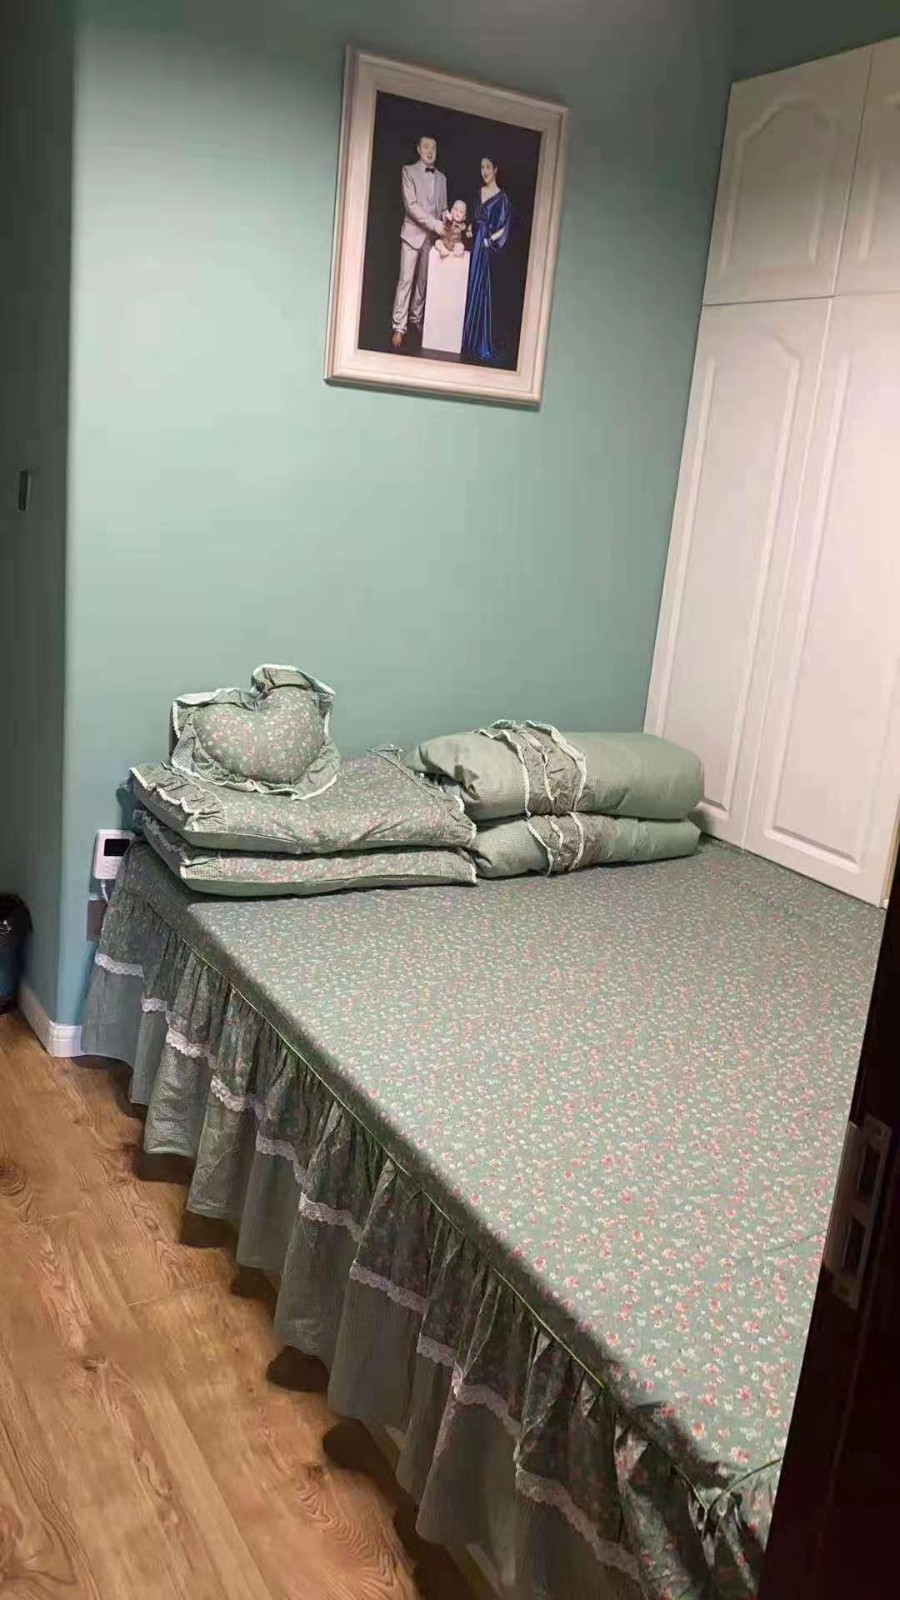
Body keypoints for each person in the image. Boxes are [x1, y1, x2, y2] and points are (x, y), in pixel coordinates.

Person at [391, 135, 447, 349]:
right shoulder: (408, 171)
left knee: (423, 282)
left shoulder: (442, 178)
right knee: (406, 281)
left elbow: (443, 208)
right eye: (426, 147)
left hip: (431, 238)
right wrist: (435, 224)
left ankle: (416, 318)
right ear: (418, 149)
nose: (430, 151)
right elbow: (411, 206)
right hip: (412, 234)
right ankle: (399, 326)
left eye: (433, 147)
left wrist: (449, 217)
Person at [462, 156, 512, 363]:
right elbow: (475, 220)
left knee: (482, 289)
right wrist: (470, 228)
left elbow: (504, 228)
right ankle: (464, 337)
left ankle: (478, 341)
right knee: (469, 286)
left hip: (486, 248)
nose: (484, 171)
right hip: (474, 245)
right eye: (482, 167)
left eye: (488, 167)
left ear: (496, 169)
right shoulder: (479, 192)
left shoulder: (502, 199)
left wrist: (489, 240)